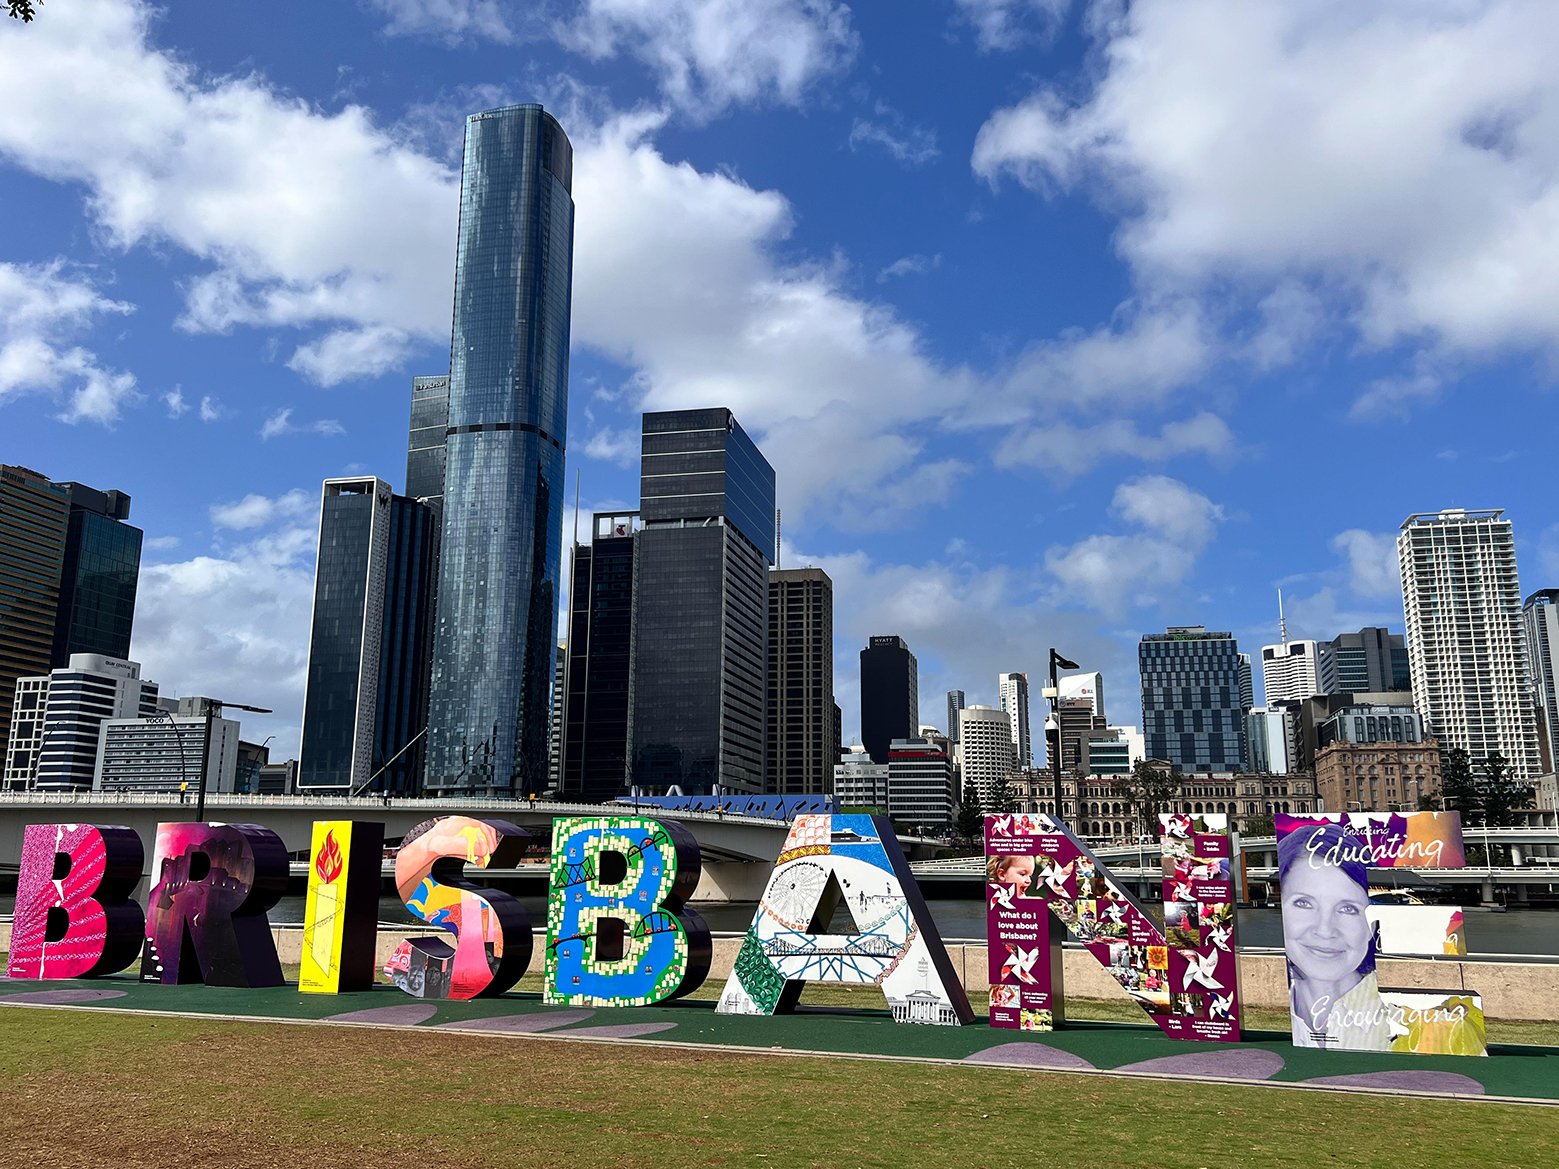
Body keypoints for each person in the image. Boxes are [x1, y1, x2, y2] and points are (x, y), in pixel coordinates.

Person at [1278, 822, 1390, 1051]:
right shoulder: (1284, 1012)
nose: (1325, 929)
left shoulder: (1419, 1022)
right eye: (1303, 903)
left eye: (1348, 909)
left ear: (1372, 923)